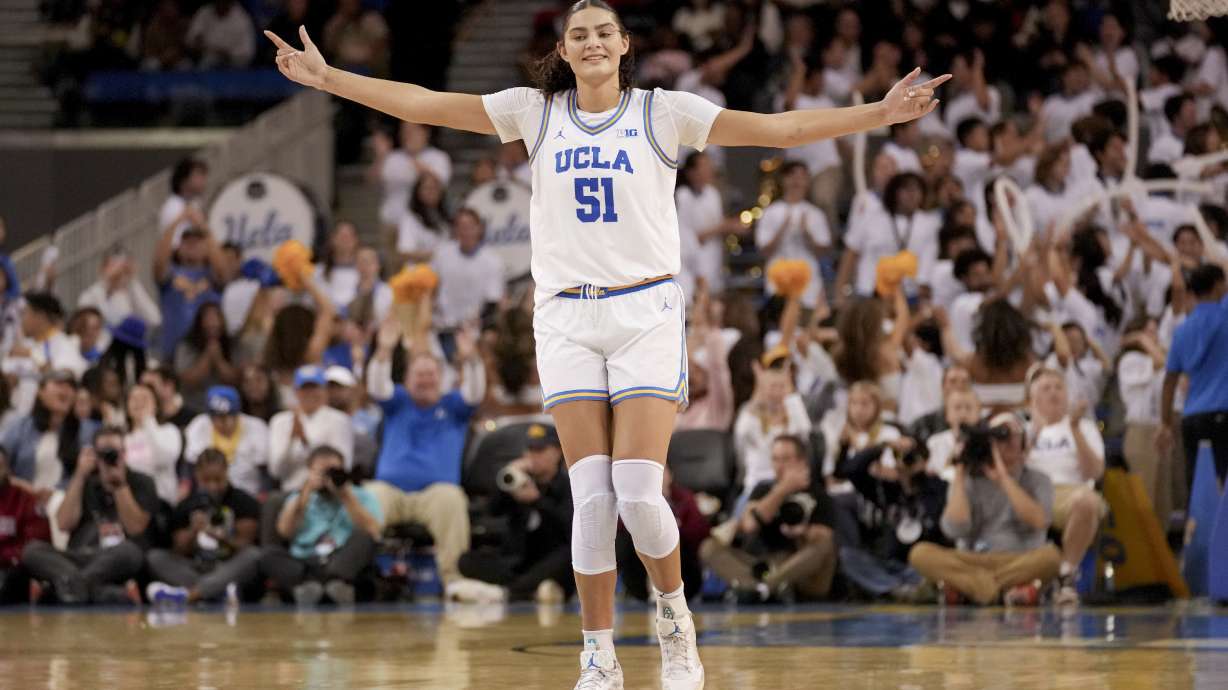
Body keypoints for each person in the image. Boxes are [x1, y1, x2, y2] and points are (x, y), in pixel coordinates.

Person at [265, 1, 946, 683]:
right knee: (591, 498)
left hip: (645, 311)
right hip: (566, 316)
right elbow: (425, 105)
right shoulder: (536, 111)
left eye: (602, 33)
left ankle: (675, 622)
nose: (591, 42)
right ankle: (598, 656)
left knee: (638, 491)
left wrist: (878, 114)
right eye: (578, 34)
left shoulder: (662, 112)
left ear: (623, 45)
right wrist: (330, 79)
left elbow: (779, 128)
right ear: (563, 50)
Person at [364, 319, 482, 591]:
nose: (425, 380)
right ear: (407, 379)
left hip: (435, 494)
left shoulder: (454, 407)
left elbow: (475, 392)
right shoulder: (398, 402)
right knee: (366, 499)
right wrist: (383, 350)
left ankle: (454, 581)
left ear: (441, 379)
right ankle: (360, 577)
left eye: (430, 374)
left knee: (452, 499)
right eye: (419, 374)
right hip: (390, 492)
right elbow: (377, 386)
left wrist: (472, 359)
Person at [908, 413, 1060, 605]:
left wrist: (1003, 479)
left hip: (1018, 559)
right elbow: (955, 529)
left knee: (1051, 557)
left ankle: (971, 589)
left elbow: (1039, 521)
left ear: (1024, 442)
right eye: (1001, 436)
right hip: (971, 559)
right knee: (919, 553)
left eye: (1014, 435)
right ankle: (1000, 591)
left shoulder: (1039, 480)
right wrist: (960, 471)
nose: (1009, 441)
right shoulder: (968, 480)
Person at [22, 427, 159, 604]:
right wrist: (79, 474)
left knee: (131, 552)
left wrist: (119, 484)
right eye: (103, 453)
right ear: (94, 455)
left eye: (114, 452)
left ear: (124, 453)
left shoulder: (141, 481)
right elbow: (63, 523)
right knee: (32, 550)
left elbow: (135, 528)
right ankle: (104, 591)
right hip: (78, 557)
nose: (109, 457)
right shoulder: (84, 480)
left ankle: (60, 589)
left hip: (115, 560)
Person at [700, 435, 837, 603]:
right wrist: (783, 490)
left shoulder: (819, 494)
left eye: (785, 459)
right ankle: (763, 588)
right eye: (775, 459)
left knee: (825, 546)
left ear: (802, 461)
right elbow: (750, 524)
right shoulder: (763, 489)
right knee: (708, 547)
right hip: (761, 564)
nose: (779, 465)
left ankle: (765, 587)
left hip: (797, 567)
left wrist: (801, 532)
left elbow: (823, 540)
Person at [456, 424, 575, 603]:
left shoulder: (568, 485)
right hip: (519, 559)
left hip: (550, 557)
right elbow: (493, 510)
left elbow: (567, 528)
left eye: (539, 450)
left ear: (557, 452)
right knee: (466, 561)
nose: (532, 456)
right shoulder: (519, 480)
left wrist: (536, 501)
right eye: (529, 450)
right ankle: (532, 589)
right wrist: (506, 481)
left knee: (569, 556)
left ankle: (508, 593)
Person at [260, 445, 382, 605]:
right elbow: (284, 532)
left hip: (343, 562)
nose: (327, 478)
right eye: (321, 473)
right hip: (306, 563)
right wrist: (305, 494)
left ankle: (327, 586)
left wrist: (346, 496)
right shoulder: (299, 497)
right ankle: (319, 587)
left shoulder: (363, 496)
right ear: (309, 472)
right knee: (268, 554)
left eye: (333, 472)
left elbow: (374, 532)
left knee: (365, 537)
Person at [1026, 368, 1105, 606]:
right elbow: (1012, 469)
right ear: (1033, 398)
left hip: (1070, 491)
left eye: (1058, 387)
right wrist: (1035, 431)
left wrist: (1074, 429)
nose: (1053, 393)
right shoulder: (1023, 429)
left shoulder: (1085, 427)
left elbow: (1094, 473)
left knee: (1087, 501)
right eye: (1046, 388)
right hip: (1030, 492)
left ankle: (1066, 574)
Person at [145, 449, 262, 605]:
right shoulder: (186, 505)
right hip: (195, 568)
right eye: (206, 480)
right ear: (197, 476)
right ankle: (217, 592)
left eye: (218, 479)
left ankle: (192, 595)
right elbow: (179, 550)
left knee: (254, 555)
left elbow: (246, 544)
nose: (213, 486)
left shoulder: (244, 502)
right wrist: (193, 531)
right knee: (155, 557)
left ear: (226, 472)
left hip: (228, 566)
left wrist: (222, 537)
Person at [1159, 264, 1228, 493]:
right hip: (1223, 411)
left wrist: (1165, 423)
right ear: (1218, 285)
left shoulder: (1182, 330)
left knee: (1198, 486)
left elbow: (1169, 381)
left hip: (1192, 418)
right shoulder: (1225, 316)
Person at [617, 465, 710, 603]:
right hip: (640, 571)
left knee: (670, 539)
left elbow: (699, 532)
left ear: (670, 475)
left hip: (682, 566)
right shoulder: (633, 499)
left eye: (662, 469)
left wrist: (675, 526)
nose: (657, 475)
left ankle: (670, 590)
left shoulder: (684, 499)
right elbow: (621, 527)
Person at [756, 161, 832, 309]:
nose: (797, 181)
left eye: (802, 176)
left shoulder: (815, 214)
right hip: (778, 283)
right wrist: (782, 228)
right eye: (792, 176)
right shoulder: (770, 212)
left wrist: (807, 234)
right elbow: (763, 250)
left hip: (809, 285)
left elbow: (823, 251)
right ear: (783, 179)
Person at [269, 365, 354, 493]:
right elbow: (276, 471)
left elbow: (343, 466)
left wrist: (306, 442)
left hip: (326, 492)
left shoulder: (340, 420)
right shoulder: (280, 421)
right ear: (295, 391)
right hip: (290, 492)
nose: (309, 393)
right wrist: (290, 442)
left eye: (314, 387)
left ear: (325, 390)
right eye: (304, 388)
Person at [183, 386, 269, 497]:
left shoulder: (256, 427)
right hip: (207, 495)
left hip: (249, 493)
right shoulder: (199, 425)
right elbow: (189, 468)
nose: (221, 422)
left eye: (226, 417)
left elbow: (265, 473)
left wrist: (263, 495)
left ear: (237, 413)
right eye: (216, 417)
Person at [430, 209, 506, 331]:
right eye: (461, 227)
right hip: (442, 325)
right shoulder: (442, 253)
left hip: (475, 328)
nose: (465, 231)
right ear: (455, 230)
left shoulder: (493, 260)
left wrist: (480, 324)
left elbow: (493, 300)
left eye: (470, 226)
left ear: (479, 228)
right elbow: (431, 287)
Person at [0, 448, 50, 603]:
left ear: (8, 470)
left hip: (15, 570)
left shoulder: (26, 499)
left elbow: (36, 544)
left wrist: (6, 556)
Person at [122, 383, 182, 505]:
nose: (139, 403)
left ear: (156, 405)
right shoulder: (123, 440)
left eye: (144, 398)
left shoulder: (169, 430)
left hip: (162, 502)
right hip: (132, 502)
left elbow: (163, 459)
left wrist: (148, 421)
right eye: (134, 399)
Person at [77, 248, 162, 331]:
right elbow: (87, 326)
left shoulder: (130, 292)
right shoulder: (90, 295)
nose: (119, 273)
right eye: (113, 265)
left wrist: (132, 281)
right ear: (102, 269)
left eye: (124, 269)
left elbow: (155, 319)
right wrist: (108, 283)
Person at [187, 0, 255, 69]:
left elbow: (247, 53)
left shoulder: (242, 19)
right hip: (204, 61)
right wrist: (196, 41)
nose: (220, 3)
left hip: (233, 66)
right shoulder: (204, 12)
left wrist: (227, 54)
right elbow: (190, 39)